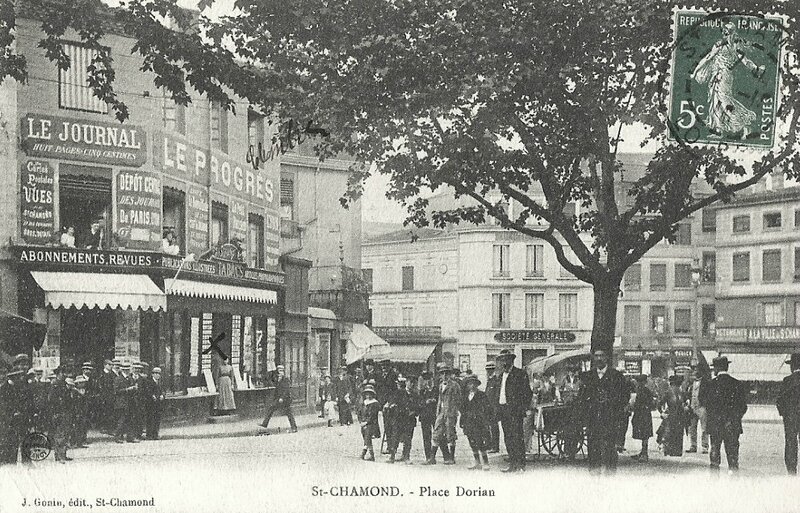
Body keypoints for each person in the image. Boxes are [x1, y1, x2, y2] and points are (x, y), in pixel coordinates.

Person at [691, 22, 764, 139]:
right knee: (717, 102)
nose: (724, 33)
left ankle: (744, 125)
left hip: (720, 76)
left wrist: (695, 71)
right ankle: (719, 130)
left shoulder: (720, 45)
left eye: (725, 31)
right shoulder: (735, 46)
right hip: (725, 76)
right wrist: (755, 68)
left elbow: (708, 58)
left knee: (724, 102)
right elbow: (745, 60)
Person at [579, 348, 630, 474]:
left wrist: (616, 409)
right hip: (593, 420)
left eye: (602, 356)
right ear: (593, 358)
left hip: (610, 419)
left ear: (606, 358)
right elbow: (582, 398)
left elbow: (625, 396)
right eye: (596, 356)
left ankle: (610, 475)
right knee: (593, 448)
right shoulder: (588, 377)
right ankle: (594, 475)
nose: (599, 359)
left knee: (610, 449)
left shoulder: (616, 376)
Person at [702, 355, 748, 473]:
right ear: (727, 367)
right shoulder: (737, 384)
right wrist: (734, 418)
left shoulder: (710, 384)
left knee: (715, 452)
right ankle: (733, 480)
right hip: (732, 425)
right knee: (732, 456)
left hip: (715, 424)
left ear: (716, 368)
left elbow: (705, 403)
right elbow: (743, 407)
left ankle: (714, 481)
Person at [495, 349, 531, 473]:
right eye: (502, 360)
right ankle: (513, 464)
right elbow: (498, 394)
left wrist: (521, 409)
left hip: (515, 412)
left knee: (517, 438)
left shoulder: (520, 374)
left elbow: (527, 393)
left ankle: (520, 465)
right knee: (508, 438)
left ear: (512, 360)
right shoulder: (500, 376)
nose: (504, 362)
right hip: (503, 410)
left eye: (507, 359)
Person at [428, 364, 462, 465]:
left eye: (447, 373)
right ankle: (432, 458)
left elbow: (459, 400)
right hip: (441, 413)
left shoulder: (455, 385)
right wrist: (438, 412)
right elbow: (440, 399)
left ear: (450, 375)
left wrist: (454, 411)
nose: (445, 375)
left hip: (450, 413)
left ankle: (451, 458)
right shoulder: (440, 385)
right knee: (437, 433)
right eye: (442, 373)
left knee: (450, 434)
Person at [0, 369, 32, 464]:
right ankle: (7, 460)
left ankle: (14, 461)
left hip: (14, 418)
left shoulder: (16, 389)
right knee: (8, 440)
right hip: (6, 418)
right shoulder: (7, 389)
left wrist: (17, 411)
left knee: (14, 440)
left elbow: (18, 403)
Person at [460, 374, 492, 471]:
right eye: (470, 384)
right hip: (468, 423)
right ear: (467, 385)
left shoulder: (481, 395)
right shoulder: (466, 396)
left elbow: (487, 408)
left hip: (479, 422)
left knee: (480, 442)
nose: (472, 386)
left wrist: (485, 420)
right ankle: (477, 462)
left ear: (477, 385)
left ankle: (485, 462)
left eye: (474, 384)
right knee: (472, 442)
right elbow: (463, 410)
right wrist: (462, 421)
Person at [777, 353, 800, 475]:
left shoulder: (787, 380)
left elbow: (779, 401)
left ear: (793, 366)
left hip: (791, 417)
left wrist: (785, 414)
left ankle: (792, 470)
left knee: (791, 442)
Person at [383, 376, 415, 463]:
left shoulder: (415, 394)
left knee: (408, 439)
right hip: (399, 419)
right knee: (395, 437)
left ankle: (406, 456)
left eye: (412, 382)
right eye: (408, 382)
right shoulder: (399, 393)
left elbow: (418, 405)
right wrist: (389, 405)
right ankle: (392, 456)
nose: (410, 384)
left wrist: (414, 412)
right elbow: (392, 402)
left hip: (410, 420)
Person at [259, 365, 298, 433]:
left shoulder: (286, 379)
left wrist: (282, 398)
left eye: (282, 371)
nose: (280, 372)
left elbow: (286, 390)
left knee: (289, 414)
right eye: (279, 371)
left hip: (285, 400)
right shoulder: (276, 378)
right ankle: (265, 424)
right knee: (271, 409)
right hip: (279, 399)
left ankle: (294, 428)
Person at [48, 366, 74, 463]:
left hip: (66, 412)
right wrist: (55, 413)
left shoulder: (64, 384)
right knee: (60, 435)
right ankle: (59, 456)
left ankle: (63, 454)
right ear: (58, 373)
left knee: (65, 434)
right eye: (63, 373)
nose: (65, 375)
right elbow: (51, 401)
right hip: (59, 412)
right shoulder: (55, 385)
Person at [630, 375, 655, 462]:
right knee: (644, 434)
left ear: (643, 382)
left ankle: (644, 454)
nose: (638, 383)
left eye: (639, 381)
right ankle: (643, 452)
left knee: (645, 434)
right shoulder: (643, 390)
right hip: (643, 414)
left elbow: (645, 403)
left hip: (643, 414)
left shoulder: (643, 391)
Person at [687, 366, 710, 454]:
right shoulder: (691, 382)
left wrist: (705, 404)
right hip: (692, 407)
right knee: (692, 428)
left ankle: (705, 446)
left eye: (697, 370)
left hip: (702, 407)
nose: (694, 372)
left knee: (704, 428)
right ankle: (693, 445)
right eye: (694, 370)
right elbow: (688, 393)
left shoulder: (706, 383)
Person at [114, 362, 139, 443]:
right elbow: (116, 391)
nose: (127, 371)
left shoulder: (130, 378)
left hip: (130, 402)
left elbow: (133, 389)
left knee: (130, 420)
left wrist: (135, 388)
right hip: (122, 403)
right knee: (122, 420)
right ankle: (117, 437)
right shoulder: (118, 379)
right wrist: (127, 389)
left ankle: (130, 437)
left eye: (128, 370)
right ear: (122, 370)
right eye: (125, 370)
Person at [418, 371, 438, 463]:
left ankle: (447, 455)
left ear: (432, 379)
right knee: (426, 437)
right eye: (425, 380)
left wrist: (433, 400)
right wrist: (425, 402)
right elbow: (418, 403)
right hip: (425, 416)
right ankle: (428, 457)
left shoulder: (436, 390)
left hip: (435, 415)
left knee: (439, 435)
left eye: (429, 379)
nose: (427, 382)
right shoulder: (422, 392)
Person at [358, 385, 381, 461]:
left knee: (368, 438)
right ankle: (371, 455)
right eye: (366, 393)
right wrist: (361, 421)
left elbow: (373, 416)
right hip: (363, 423)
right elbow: (359, 413)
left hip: (371, 424)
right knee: (366, 438)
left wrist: (366, 422)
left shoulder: (375, 403)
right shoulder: (364, 403)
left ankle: (364, 454)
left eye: (369, 393)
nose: (368, 395)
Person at [484, 362, 500, 453]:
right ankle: (489, 445)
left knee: (494, 427)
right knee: (489, 426)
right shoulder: (490, 380)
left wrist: (495, 408)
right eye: (487, 370)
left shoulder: (495, 380)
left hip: (493, 408)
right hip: (488, 408)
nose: (488, 371)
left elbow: (496, 396)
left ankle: (495, 447)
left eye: (490, 370)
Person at [96, 359, 116, 435]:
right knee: (103, 412)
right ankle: (103, 427)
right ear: (105, 365)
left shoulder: (112, 374)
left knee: (110, 413)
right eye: (109, 365)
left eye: (112, 365)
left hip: (110, 396)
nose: (111, 366)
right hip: (103, 396)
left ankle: (109, 428)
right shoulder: (100, 374)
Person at [145, 367, 165, 440]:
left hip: (158, 403)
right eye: (156, 373)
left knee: (157, 419)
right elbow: (147, 391)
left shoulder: (160, 382)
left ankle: (155, 434)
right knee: (150, 419)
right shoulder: (149, 382)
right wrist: (151, 395)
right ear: (152, 374)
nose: (157, 375)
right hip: (151, 404)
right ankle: (149, 435)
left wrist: (162, 395)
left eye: (159, 374)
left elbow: (163, 390)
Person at [70, 375, 90, 448]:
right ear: (78, 383)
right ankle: (74, 442)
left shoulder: (84, 390)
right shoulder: (74, 391)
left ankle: (80, 442)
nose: (83, 384)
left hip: (83, 411)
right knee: (76, 428)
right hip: (77, 412)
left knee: (81, 427)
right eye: (81, 383)